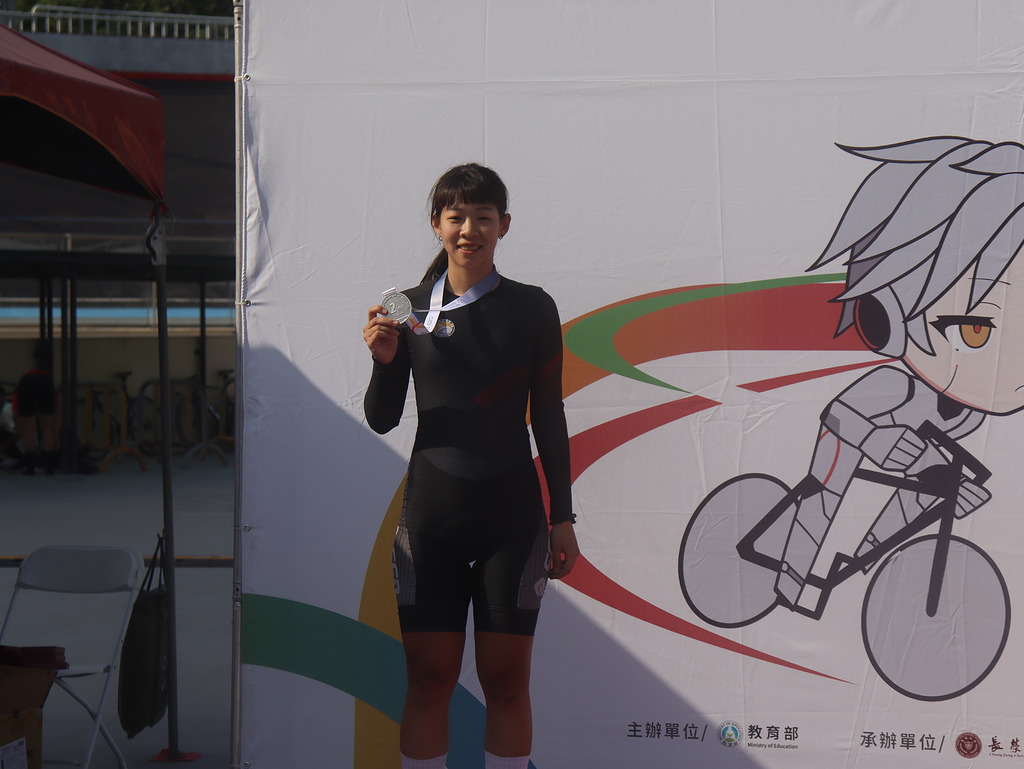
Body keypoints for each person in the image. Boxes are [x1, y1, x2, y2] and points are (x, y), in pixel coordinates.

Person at [362, 163, 579, 769]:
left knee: (507, 684)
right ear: (437, 224)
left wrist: (562, 518)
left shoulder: (532, 308)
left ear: (503, 225)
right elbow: (382, 419)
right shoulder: (406, 309)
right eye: (456, 217)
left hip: (512, 521)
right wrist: (384, 360)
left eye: (483, 217)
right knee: (428, 681)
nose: (469, 229)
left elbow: (549, 416)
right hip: (431, 520)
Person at [775, 137, 1024, 613]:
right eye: (974, 330)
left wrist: (952, 485)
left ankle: (861, 569)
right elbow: (839, 416)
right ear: (883, 315)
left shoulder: (972, 412)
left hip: (907, 448)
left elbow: (932, 451)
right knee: (827, 496)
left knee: (930, 494)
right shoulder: (898, 385)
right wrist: (875, 438)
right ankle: (793, 582)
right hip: (848, 442)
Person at [13, 345, 59, 476]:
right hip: (46, 383)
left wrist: (19, 430)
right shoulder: (47, 379)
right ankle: (48, 467)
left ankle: (31, 468)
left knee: (29, 428)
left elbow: (15, 413)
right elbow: (56, 411)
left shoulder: (22, 384)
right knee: (47, 428)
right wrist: (56, 433)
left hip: (28, 384)